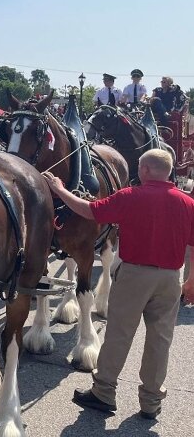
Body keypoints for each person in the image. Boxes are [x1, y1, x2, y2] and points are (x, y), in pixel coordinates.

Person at [43, 149, 194, 420]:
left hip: (136, 275)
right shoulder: (187, 202)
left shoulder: (130, 196)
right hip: (170, 279)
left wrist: (59, 189)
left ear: (145, 170)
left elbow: (89, 210)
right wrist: (191, 279)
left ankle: (104, 392)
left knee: (119, 335)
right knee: (160, 341)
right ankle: (151, 401)